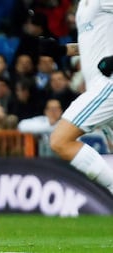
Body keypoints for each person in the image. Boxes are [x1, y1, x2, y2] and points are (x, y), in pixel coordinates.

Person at [50, 0, 113, 199]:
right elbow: (93, 42)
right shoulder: (83, 6)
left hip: (107, 85)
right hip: (98, 85)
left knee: (60, 140)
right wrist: (62, 51)